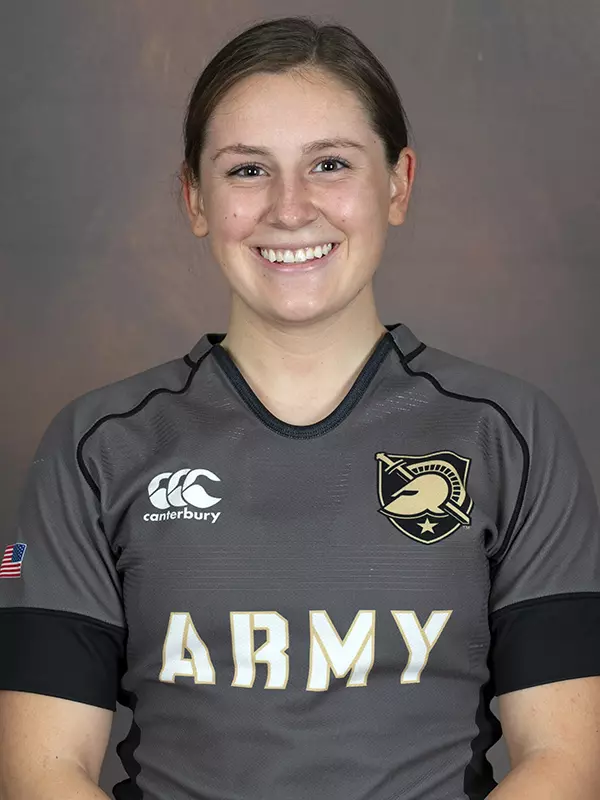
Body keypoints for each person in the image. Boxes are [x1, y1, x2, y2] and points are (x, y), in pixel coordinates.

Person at [1, 14, 600, 800]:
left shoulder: (509, 436)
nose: (290, 208)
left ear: (398, 183)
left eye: (329, 164)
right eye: (247, 170)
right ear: (194, 198)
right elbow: (39, 770)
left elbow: (567, 762)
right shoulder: (95, 449)